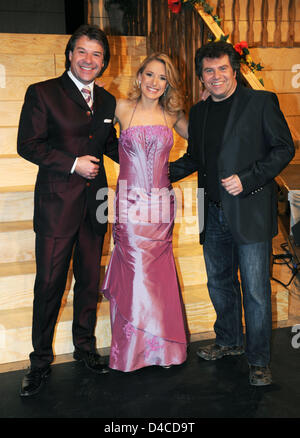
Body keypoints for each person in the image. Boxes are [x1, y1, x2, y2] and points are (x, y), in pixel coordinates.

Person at [169, 40, 295, 386]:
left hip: (250, 211)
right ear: (201, 77)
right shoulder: (199, 112)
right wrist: (156, 173)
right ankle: (229, 340)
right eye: (209, 71)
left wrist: (248, 178)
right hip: (212, 212)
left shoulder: (260, 102)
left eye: (222, 68)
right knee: (219, 283)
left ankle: (258, 360)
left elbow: (284, 148)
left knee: (255, 291)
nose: (216, 76)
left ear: (234, 70)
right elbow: (195, 158)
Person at [17, 24, 119, 396]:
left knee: (89, 283)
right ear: (69, 54)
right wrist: (73, 163)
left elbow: (110, 144)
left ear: (104, 61)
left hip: (95, 206)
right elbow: (28, 144)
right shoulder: (43, 92)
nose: (89, 60)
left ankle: (85, 349)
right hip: (57, 206)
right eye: (82, 52)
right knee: (48, 286)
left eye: (96, 54)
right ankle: (40, 361)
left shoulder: (107, 100)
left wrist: (149, 164)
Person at [101, 53, 189, 372]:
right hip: (129, 204)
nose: (155, 82)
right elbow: (95, 136)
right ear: (139, 77)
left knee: (159, 275)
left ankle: (162, 350)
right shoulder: (121, 108)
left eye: (162, 78)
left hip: (160, 205)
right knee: (136, 272)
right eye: (149, 75)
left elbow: (205, 141)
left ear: (168, 84)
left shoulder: (173, 113)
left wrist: (171, 173)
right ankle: (133, 351)